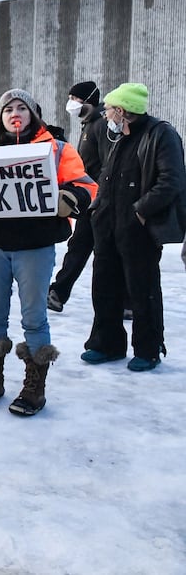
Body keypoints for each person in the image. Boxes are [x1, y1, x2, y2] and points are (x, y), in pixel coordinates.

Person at [0, 89, 95, 416]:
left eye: (22, 107)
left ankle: (34, 388)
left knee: (34, 316)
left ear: (34, 113)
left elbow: (86, 184)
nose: (15, 112)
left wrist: (72, 197)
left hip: (35, 246)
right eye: (8, 108)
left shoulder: (58, 149)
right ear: (0, 115)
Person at [81, 83, 186, 372]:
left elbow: (171, 181)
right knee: (104, 286)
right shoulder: (118, 137)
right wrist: (96, 206)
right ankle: (106, 344)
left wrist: (141, 211)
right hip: (106, 225)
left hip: (138, 229)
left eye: (110, 110)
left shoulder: (160, 134)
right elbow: (107, 175)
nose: (106, 116)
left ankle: (148, 349)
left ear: (123, 111)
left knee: (143, 289)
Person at [47, 82, 107, 312]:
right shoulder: (90, 124)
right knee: (81, 247)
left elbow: (106, 163)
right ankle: (58, 293)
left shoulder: (100, 125)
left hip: (96, 198)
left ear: (88, 100)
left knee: (85, 247)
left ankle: (58, 293)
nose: (71, 102)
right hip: (91, 196)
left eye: (75, 98)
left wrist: (97, 194)